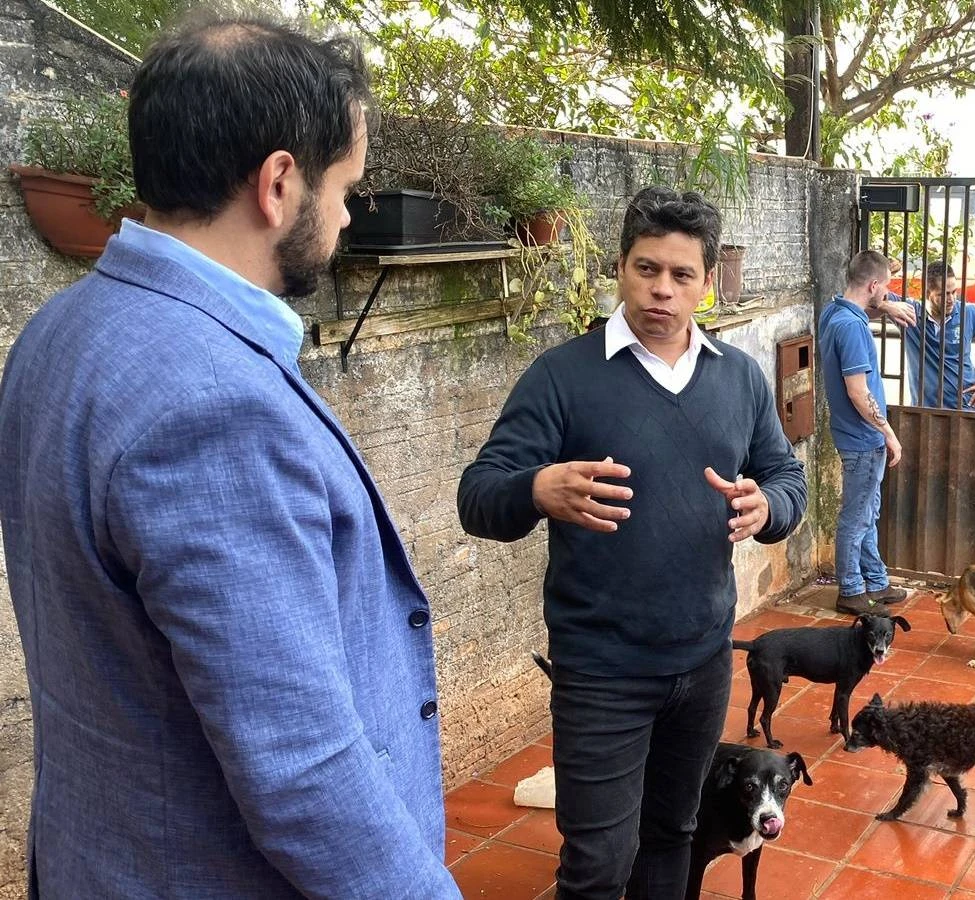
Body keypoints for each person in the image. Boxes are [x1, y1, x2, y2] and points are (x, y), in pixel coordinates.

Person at [0, 19, 460, 898]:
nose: (347, 215)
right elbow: (303, 770)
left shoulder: (57, 331)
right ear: (278, 184)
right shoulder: (216, 404)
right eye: (345, 188)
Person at [457, 187, 807, 900]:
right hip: (602, 671)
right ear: (620, 267)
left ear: (706, 283)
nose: (662, 290)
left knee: (673, 833)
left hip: (703, 661)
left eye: (682, 275)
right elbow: (478, 495)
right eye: (647, 269)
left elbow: (786, 479)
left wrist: (767, 504)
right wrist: (537, 488)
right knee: (597, 863)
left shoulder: (737, 377)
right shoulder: (564, 376)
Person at [819, 250, 912, 615]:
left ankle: (875, 580)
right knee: (856, 516)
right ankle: (850, 589)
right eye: (885, 287)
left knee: (867, 511)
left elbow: (866, 307)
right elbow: (858, 392)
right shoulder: (853, 328)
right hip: (862, 437)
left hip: (855, 435)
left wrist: (884, 307)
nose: (887, 294)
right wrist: (889, 433)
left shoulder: (834, 311)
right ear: (873, 285)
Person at [901, 259, 975, 410]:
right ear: (927, 293)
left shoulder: (969, 312)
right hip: (924, 411)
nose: (951, 299)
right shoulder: (910, 313)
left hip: (964, 407)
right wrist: (887, 304)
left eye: (954, 292)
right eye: (944, 294)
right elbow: (872, 297)